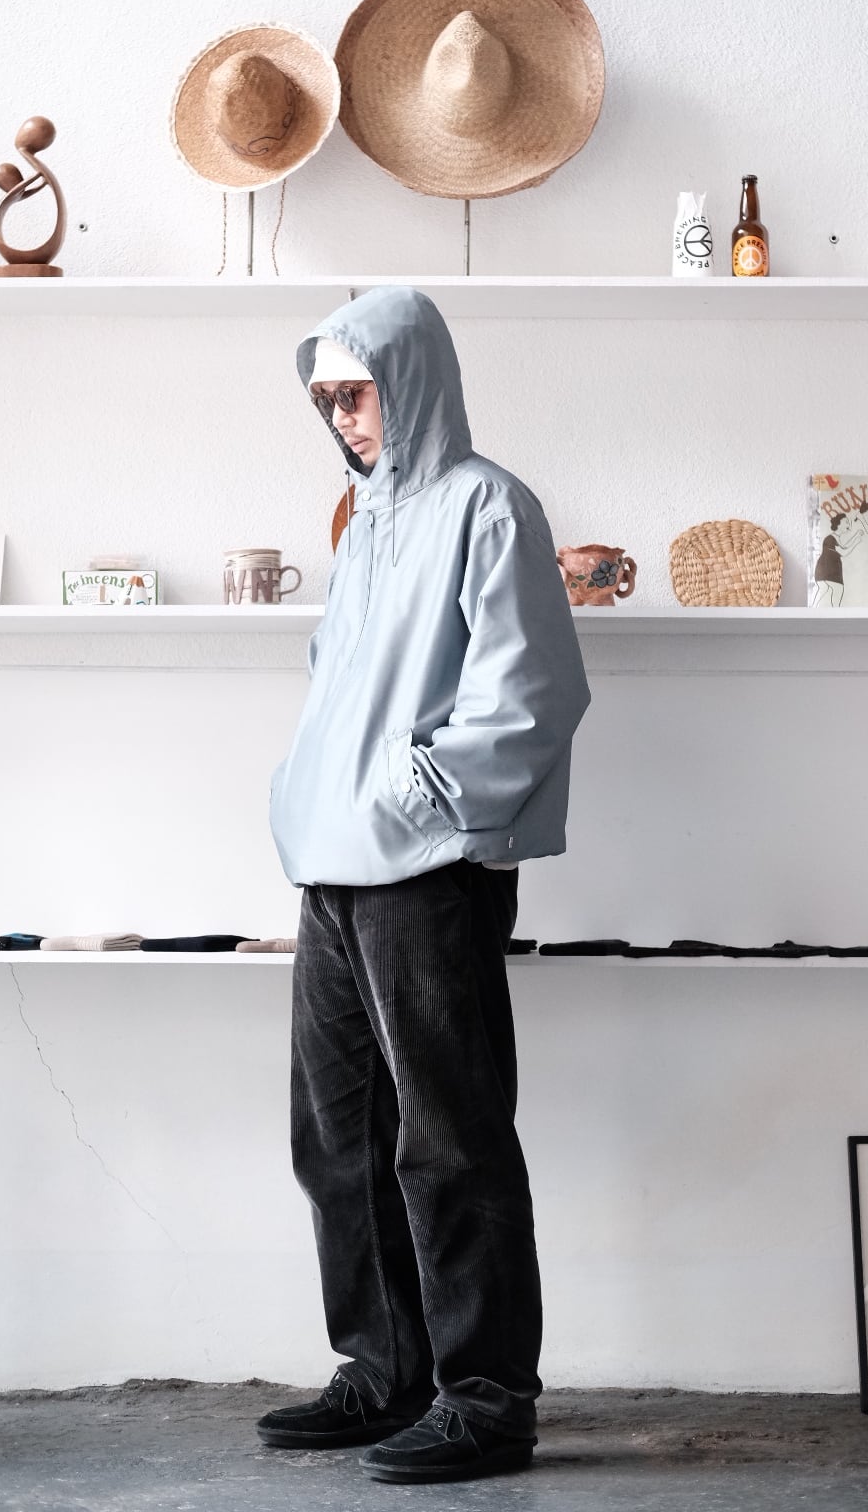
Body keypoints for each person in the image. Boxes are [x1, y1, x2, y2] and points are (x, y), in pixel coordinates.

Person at [259, 287, 591, 1485]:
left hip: (424, 869)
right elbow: (338, 687)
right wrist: (307, 793)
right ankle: (383, 1370)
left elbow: (533, 692)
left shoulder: (487, 506)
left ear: (409, 380)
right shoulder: (363, 524)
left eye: (354, 391)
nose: (341, 416)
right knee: (334, 1137)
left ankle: (487, 1400)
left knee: (446, 1137)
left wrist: (420, 797)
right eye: (326, 400)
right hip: (330, 867)